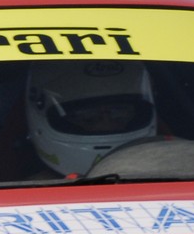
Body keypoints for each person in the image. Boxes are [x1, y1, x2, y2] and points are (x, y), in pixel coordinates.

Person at [23, 61, 157, 177]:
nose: (106, 125)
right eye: (89, 117)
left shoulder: (164, 171)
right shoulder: (27, 193)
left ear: (138, 115)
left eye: (118, 113)